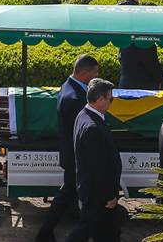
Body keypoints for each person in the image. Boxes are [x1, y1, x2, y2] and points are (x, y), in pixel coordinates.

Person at [37, 54, 100, 242]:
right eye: (94, 73)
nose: (96, 77)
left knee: (68, 195)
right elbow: (79, 134)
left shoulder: (69, 87)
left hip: (71, 156)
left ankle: (46, 233)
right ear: (85, 73)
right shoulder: (74, 98)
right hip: (75, 158)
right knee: (73, 196)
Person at [65, 78, 122, 242]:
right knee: (87, 231)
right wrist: (109, 196)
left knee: (103, 232)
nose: (112, 102)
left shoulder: (83, 115)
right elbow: (98, 169)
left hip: (92, 192)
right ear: (100, 100)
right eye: (110, 99)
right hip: (99, 197)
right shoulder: (93, 128)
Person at [117, 0, 163, 90]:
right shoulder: (126, 8)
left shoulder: (129, 8)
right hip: (139, 80)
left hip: (131, 76)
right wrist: (159, 77)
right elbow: (146, 53)